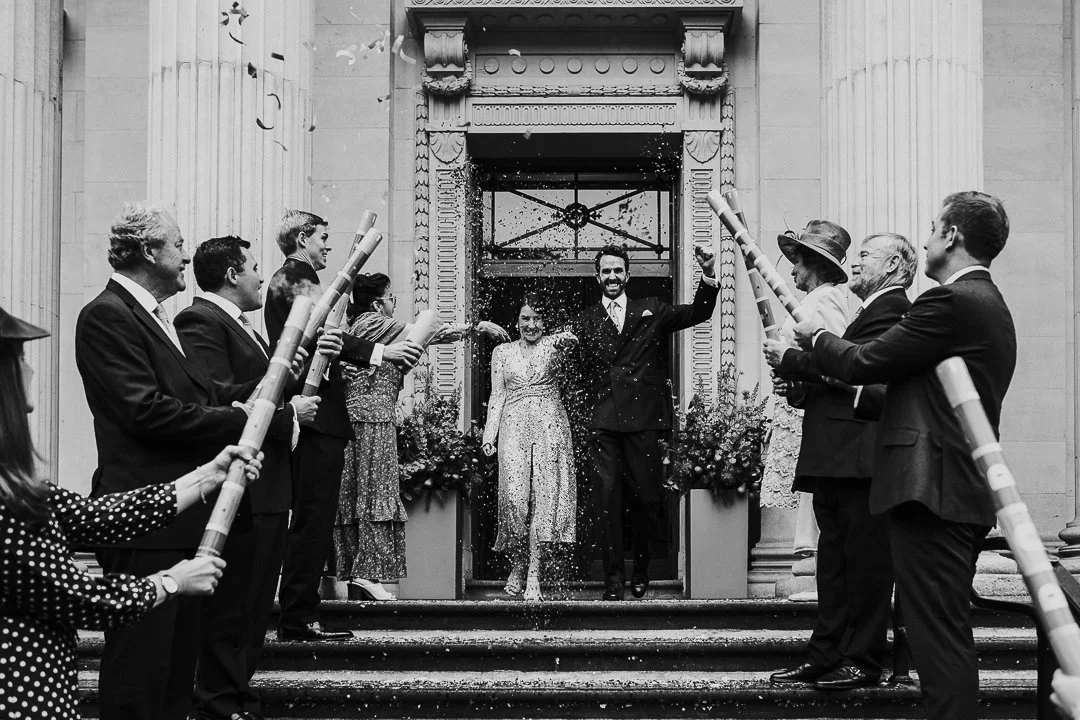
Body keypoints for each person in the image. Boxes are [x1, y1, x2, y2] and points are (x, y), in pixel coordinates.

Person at [792, 191, 1016, 720]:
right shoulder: (986, 302)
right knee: (938, 631)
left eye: (934, 226)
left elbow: (870, 360)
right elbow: (906, 393)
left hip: (933, 492)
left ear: (953, 236)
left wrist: (814, 338)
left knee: (936, 636)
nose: (926, 236)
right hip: (951, 489)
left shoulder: (950, 302)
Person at [74, 203, 298, 720]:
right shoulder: (107, 315)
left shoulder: (159, 318)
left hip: (179, 519)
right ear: (149, 251)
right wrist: (241, 423)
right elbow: (144, 411)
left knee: (176, 673)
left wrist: (271, 388)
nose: (185, 257)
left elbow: (210, 393)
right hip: (142, 517)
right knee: (142, 671)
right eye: (177, 245)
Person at [0, 302, 263, 720]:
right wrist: (172, 582)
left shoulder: (15, 485)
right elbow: (77, 595)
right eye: (20, 360)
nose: (31, 371)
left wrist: (205, 478)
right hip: (20, 692)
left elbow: (97, 516)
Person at [176, 236, 323, 720]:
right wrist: (288, 411)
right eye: (255, 268)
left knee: (257, 604)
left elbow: (256, 388)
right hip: (243, 482)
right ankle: (219, 701)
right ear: (232, 274)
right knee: (234, 605)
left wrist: (288, 373)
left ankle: (239, 694)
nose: (263, 277)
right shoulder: (200, 320)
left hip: (269, 484)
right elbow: (218, 397)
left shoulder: (246, 328)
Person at [765, 232, 916, 690]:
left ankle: (863, 659)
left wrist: (793, 359)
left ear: (892, 266)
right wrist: (799, 385)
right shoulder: (867, 312)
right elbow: (839, 375)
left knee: (867, 565)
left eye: (867, 255)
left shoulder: (896, 313)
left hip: (863, 457)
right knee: (833, 565)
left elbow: (858, 370)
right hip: (835, 455)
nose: (857, 262)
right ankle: (825, 652)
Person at [265, 211, 422, 639]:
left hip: (320, 415)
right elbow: (318, 339)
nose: (328, 246)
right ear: (302, 238)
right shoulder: (295, 277)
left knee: (314, 520)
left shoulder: (300, 278)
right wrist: (382, 354)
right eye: (322, 237)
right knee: (313, 521)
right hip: (317, 415)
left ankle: (301, 612)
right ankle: (299, 616)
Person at [333, 273, 508, 600]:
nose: (391, 304)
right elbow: (427, 333)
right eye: (390, 298)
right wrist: (475, 328)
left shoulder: (358, 326)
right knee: (375, 489)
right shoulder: (374, 322)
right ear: (376, 302)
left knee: (357, 492)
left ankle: (356, 574)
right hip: (372, 420)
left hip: (357, 420)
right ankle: (367, 574)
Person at [571, 243, 718, 601]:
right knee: (605, 502)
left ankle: (640, 570)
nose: (612, 277)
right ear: (597, 276)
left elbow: (699, 313)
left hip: (644, 420)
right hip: (603, 422)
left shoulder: (651, 308)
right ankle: (613, 580)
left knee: (645, 500)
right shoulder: (585, 320)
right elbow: (571, 368)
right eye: (606, 271)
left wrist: (710, 274)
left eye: (618, 271)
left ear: (628, 275)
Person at [758, 221, 853, 597]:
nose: (792, 269)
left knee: (822, 505)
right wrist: (790, 379)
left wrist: (793, 366)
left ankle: (820, 580)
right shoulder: (812, 300)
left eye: (796, 261)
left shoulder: (825, 299)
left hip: (820, 416)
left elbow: (834, 356)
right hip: (805, 404)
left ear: (813, 262)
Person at [482, 293, 578, 601]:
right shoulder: (501, 352)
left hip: (549, 424)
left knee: (544, 497)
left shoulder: (554, 345)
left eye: (537, 318)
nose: (531, 325)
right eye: (526, 318)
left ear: (544, 321)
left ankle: (534, 570)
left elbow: (571, 345)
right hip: (512, 426)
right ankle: (518, 560)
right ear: (517, 320)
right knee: (514, 498)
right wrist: (489, 435)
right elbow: (496, 395)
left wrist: (567, 343)